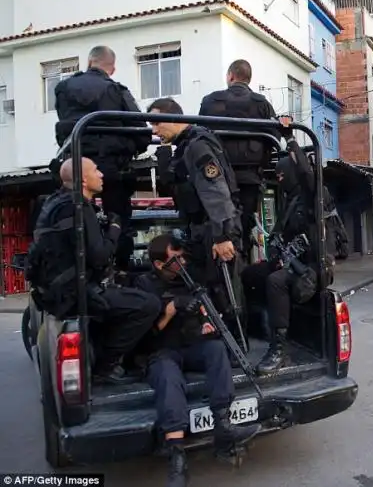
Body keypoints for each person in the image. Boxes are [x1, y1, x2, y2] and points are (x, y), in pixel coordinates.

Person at [134, 235, 259, 487]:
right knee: (168, 378)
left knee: (215, 349)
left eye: (182, 257)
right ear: (159, 264)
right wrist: (170, 310)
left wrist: (205, 324)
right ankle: (177, 458)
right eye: (174, 259)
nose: (181, 263)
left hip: (191, 345)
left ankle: (223, 425)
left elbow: (206, 310)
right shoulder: (143, 284)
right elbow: (145, 333)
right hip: (162, 350)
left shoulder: (189, 278)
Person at [25, 158, 161, 384]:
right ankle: (107, 366)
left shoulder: (56, 204)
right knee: (149, 304)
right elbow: (100, 256)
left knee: (134, 288)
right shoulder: (79, 207)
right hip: (76, 293)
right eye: (96, 171)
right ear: (84, 180)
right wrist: (115, 230)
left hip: (65, 292)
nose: (101, 175)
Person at [146, 98, 246, 342]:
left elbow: (216, 190)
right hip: (202, 229)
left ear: (173, 117)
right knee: (209, 286)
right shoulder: (184, 147)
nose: (154, 130)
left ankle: (237, 345)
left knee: (225, 290)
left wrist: (222, 235)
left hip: (217, 228)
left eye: (157, 123)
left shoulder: (197, 145)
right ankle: (219, 341)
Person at [54, 46, 152, 271]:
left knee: (73, 219)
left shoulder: (64, 88)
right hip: (111, 169)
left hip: (74, 167)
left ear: (89, 62)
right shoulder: (116, 90)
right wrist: (131, 148)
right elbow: (140, 131)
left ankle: (82, 272)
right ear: (112, 68)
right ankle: (118, 271)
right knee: (118, 221)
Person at [241, 136, 319, 375]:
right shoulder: (289, 202)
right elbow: (279, 235)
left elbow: (307, 175)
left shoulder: (312, 196)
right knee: (250, 274)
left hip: (311, 269)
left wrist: (291, 140)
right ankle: (259, 327)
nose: (280, 180)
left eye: (283, 176)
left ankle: (280, 348)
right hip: (291, 262)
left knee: (275, 281)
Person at [199, 59, 277, 263]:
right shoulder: (262, 104)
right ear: (248, 78)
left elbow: (200, 136)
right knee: (244, 223)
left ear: (230, 76)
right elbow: (274, 139)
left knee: (218, 223)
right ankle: (240, 262)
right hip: (250, 177)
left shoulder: (210, 101)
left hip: (217, 177)